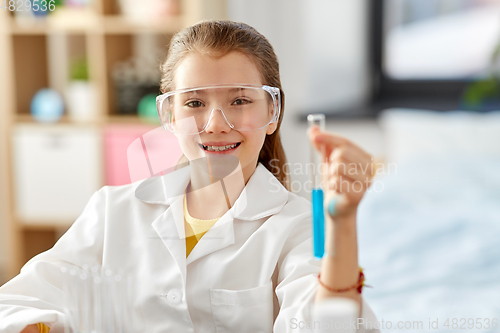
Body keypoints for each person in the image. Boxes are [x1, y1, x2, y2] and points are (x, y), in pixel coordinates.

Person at [0, 20, 379, 333]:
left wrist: (342, 224)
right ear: (168, 115)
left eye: (240, 100)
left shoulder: (298, 227)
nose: (216, 124)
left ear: (273, 112)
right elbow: (20, 300)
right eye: (195, 103)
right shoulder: (113, 211)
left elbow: (329, 325)